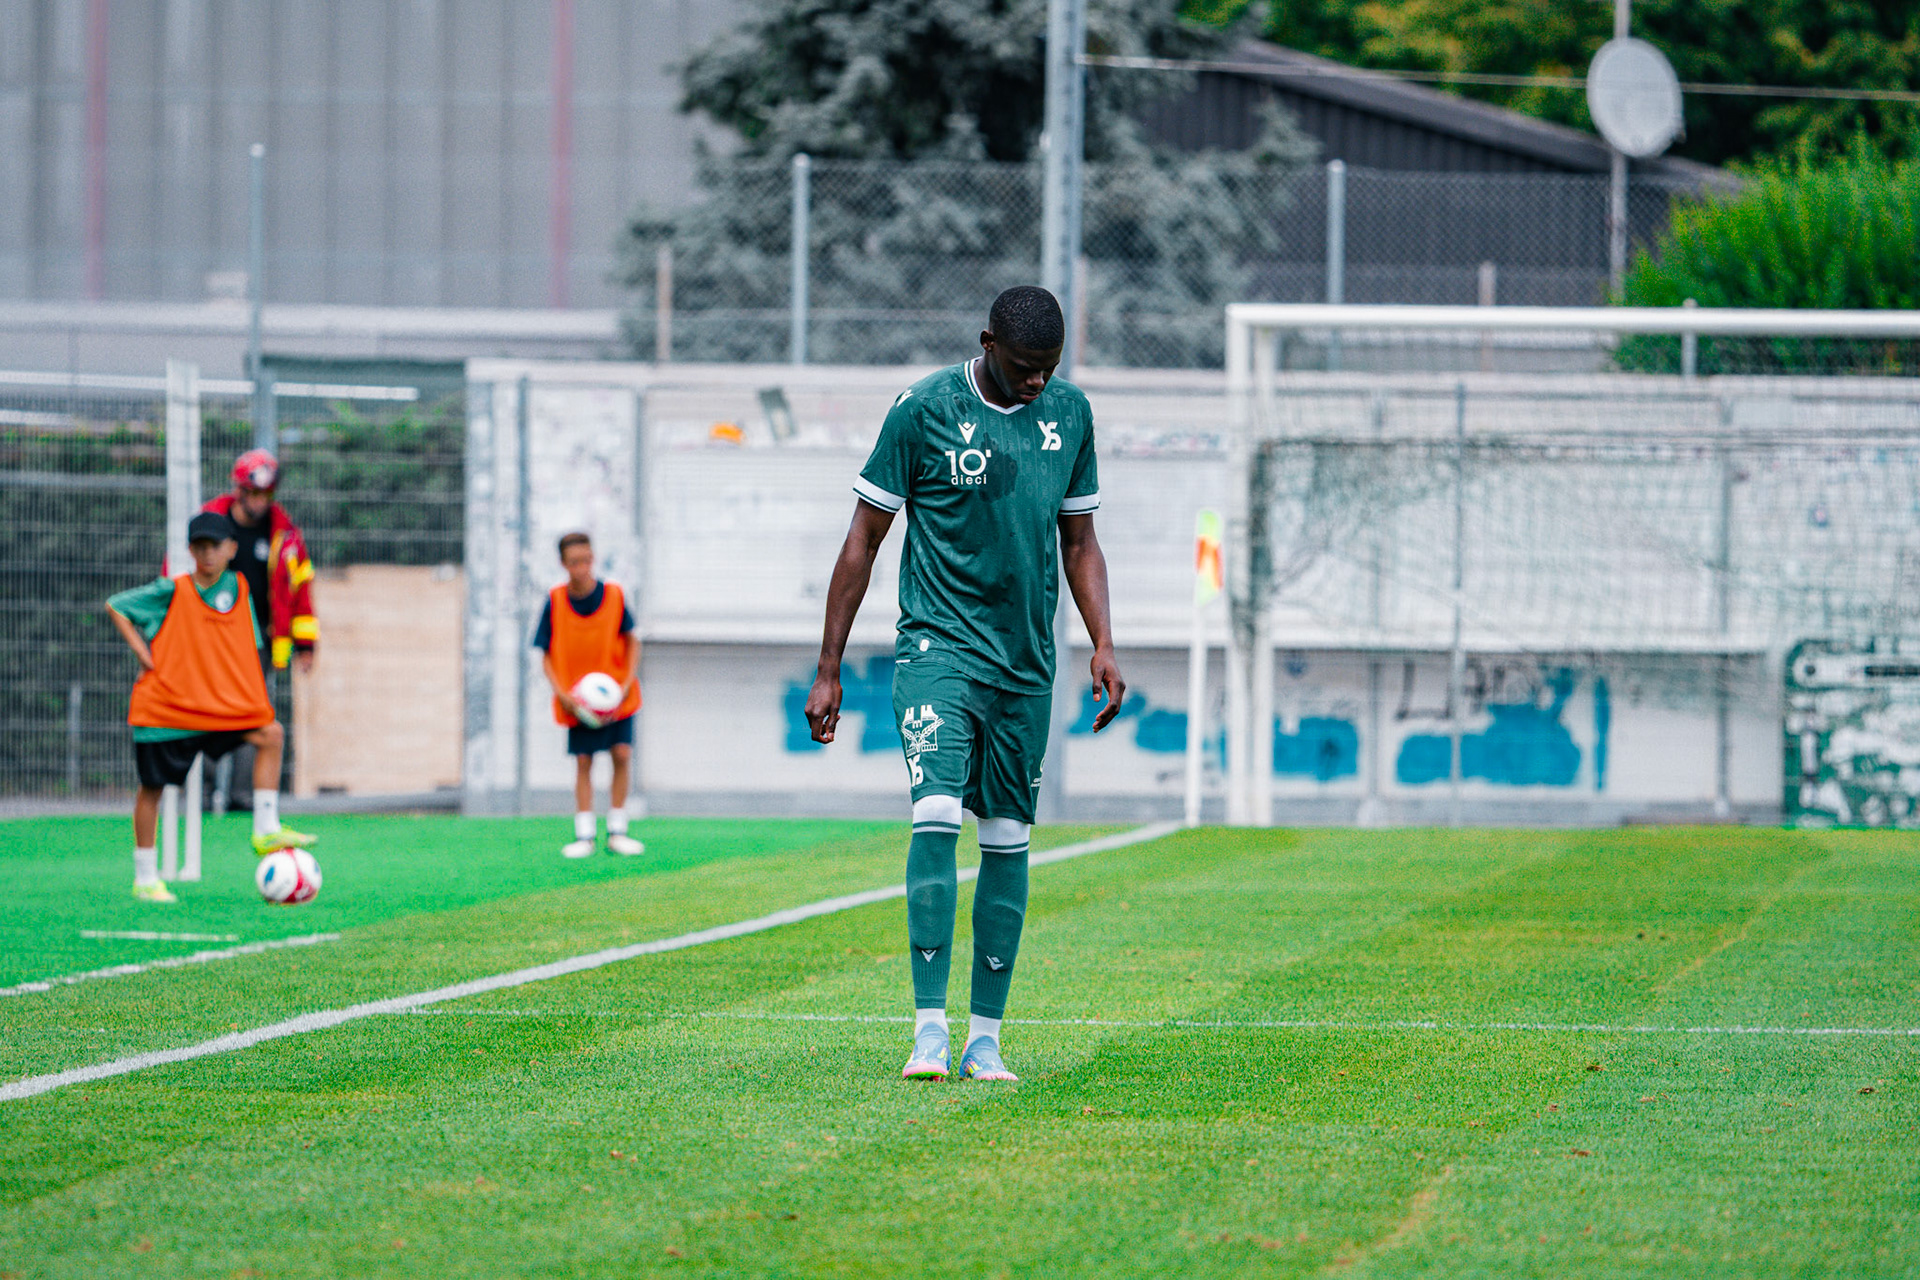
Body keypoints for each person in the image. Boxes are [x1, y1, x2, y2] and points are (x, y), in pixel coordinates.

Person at [804, 285, 1126, 1083]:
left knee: (1009, 837)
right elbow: (863, 541)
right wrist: (828, 665)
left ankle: (985, 1038)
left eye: (1048, 370)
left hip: (1026, 665)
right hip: (937, 649)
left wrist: (1105, 644)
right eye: (1023, 368)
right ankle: (928, 1032)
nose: (1035, 385)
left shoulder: (1071, 416)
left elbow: (1080, 542)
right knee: (940, 807)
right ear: (987, 343)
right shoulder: (922, 411)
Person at [107, 512, 316, 902]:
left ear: (231, 549)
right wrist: (142, 653)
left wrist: (254, 702)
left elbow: (249, 652)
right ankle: (145, 878)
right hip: (168, 709)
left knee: (271, 733)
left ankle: (266, 828)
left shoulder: (238, 589)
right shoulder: (172, 589)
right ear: (190, 550)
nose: (207, 553)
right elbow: (117, 606)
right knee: (151, 789)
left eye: (215, 546)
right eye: (200, 546)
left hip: (217, 708)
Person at [202, 449, 319, 810]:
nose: (259, 501)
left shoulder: (285, 534)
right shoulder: (209, 523)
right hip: (209, 638)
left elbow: (300, 589)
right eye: (252, 493)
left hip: (260, 644)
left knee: (252, 714)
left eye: (265, 494)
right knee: (204, 711)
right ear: (238, 490)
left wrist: (305, 644)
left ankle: (241, 796)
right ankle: (202, 795)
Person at [534, 531, 644, 858]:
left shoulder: (614, 595)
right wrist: (563, 694)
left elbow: (632, 640)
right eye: (574, 562)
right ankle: (585, 836)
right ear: (563, 564)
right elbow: (545, 653)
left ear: (592, 558)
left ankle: (617, 831)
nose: (581, 567)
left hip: (617, 696)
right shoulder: (554, 600)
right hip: (579, 702)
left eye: (586, 560)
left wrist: (624, 685)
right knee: (584, 761)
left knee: (621, 754)